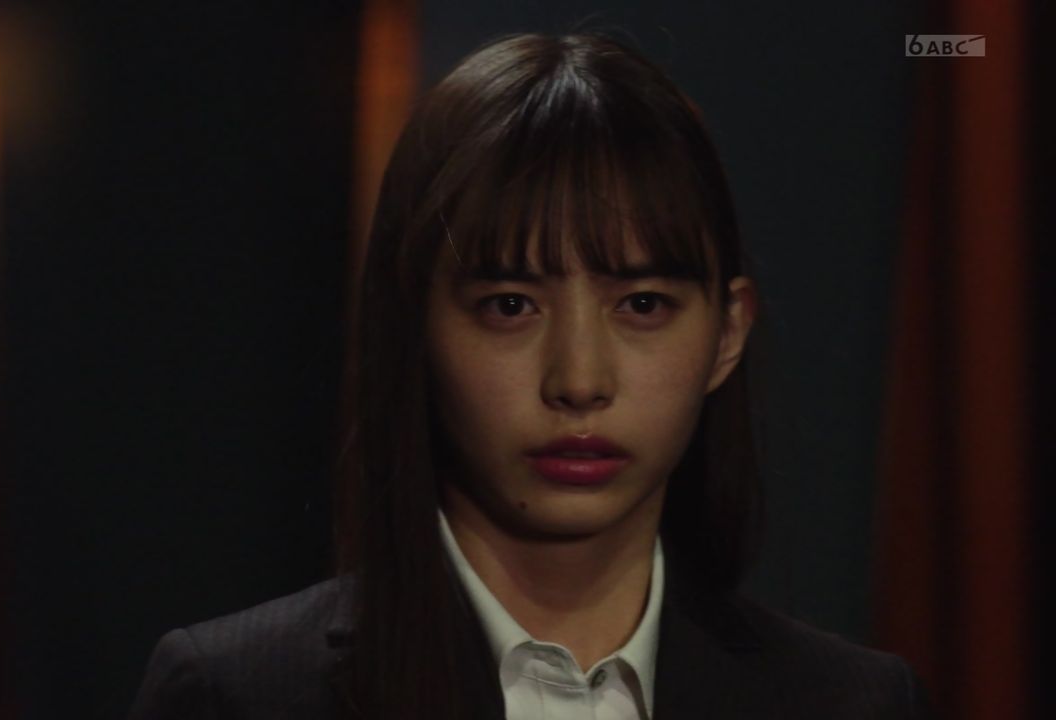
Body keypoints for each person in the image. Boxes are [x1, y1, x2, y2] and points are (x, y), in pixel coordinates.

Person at [128, 31, 930, 720]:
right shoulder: (242, 695)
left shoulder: (850, 703)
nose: (579, 380)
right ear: (411, 328)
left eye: (642, 304)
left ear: (727, 334)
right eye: (510, 305)